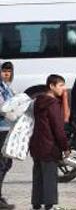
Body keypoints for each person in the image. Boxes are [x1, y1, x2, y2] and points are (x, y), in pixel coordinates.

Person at [29, 75, 70, 210]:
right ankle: (49, 205)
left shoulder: (37, 102)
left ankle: (36, 204)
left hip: (36, 145)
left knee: (38, 176)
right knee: (50, 176)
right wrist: (65, 147)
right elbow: (58, 128)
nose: (63, 89)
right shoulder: (52, 104)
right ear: (51, 86)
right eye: (60, 85)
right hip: (49, 146)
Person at [0, 63, 14, 209]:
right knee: (2, 163)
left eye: (9, 71)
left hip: (7, 128)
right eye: (4, 71)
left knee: (6, 163)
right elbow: (3, 108)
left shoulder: (6, 87)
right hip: (1, 129)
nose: (6, 74)